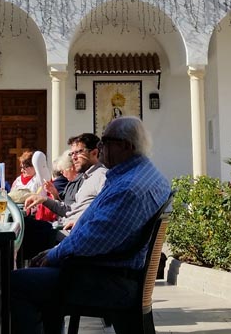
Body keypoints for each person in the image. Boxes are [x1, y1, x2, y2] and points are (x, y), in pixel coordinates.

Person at [11, 117, 171, 333]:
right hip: (113, 270)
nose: (100, 148)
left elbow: (94, 240)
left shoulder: (128, 188)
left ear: (125, 146)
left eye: (105, 142)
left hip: (108, 280)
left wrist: (54, 255)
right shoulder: (145, 174)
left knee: (16, 283)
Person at [21, 133, 107, 257]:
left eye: (78, 152)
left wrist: (82, 220)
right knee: (21, 225)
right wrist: (44, 199)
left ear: (94, 153)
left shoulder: (103, 176)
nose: (74, 158)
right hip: (62, 231)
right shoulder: (86, 178)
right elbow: (70, 210)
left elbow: (107, 211)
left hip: (70, 236)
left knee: (23, 230)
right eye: (72, 154)